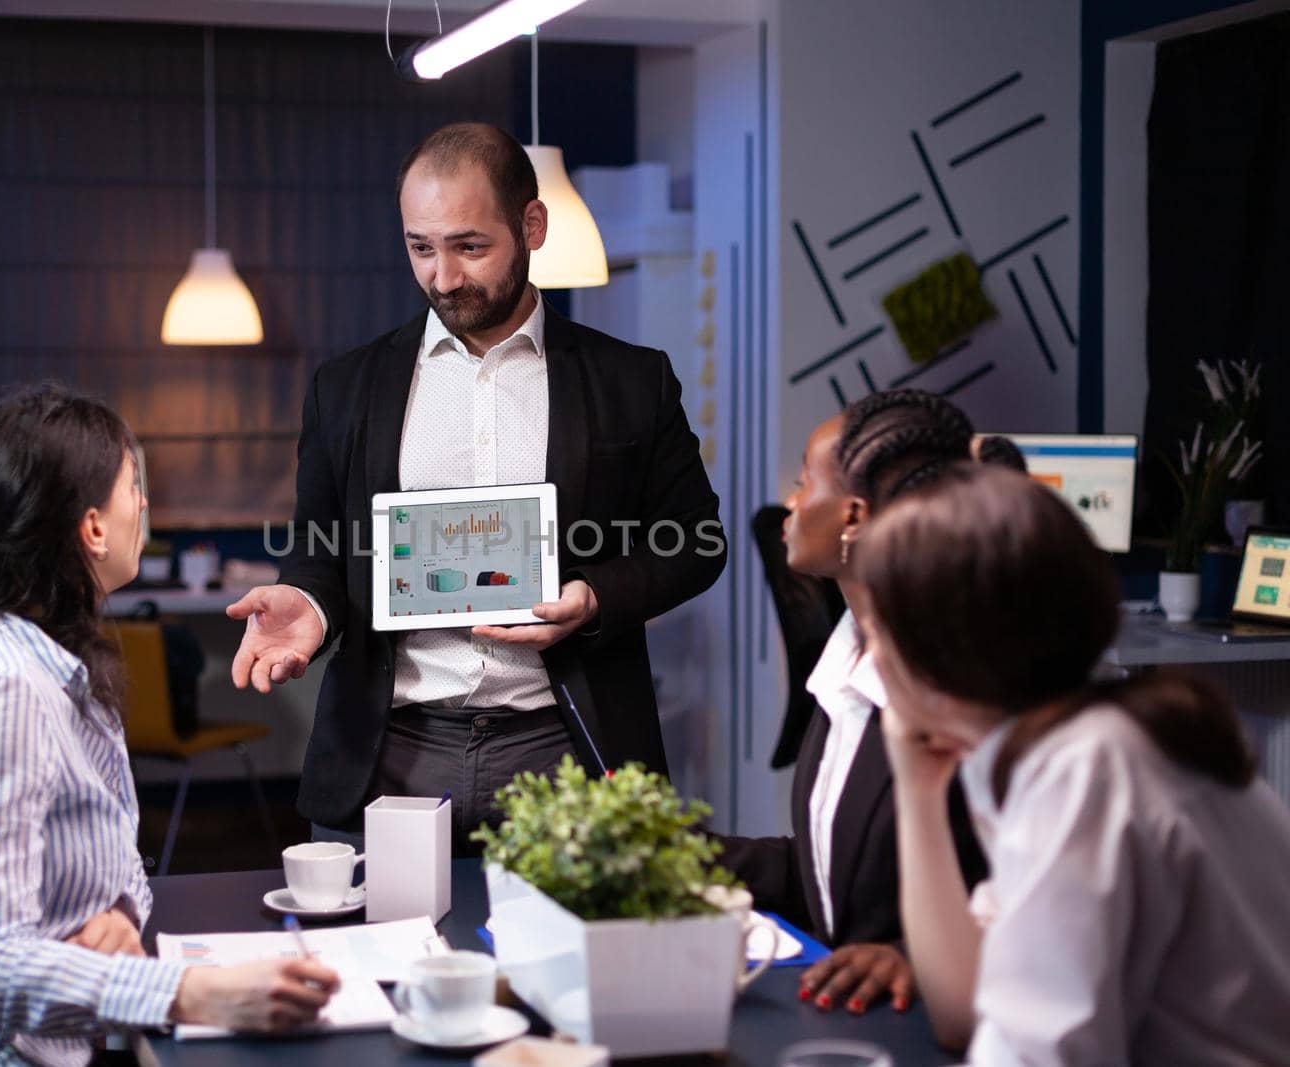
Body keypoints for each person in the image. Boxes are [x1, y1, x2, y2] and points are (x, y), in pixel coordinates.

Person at [225, 122, 726, 846]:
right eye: (420, 248)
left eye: (469, 246)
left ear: (532, 225)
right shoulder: (345, 387)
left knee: (566, 962)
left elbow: (698, 543)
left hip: (565, 751)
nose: (443, 278)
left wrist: (595, 597)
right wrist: (307, 601)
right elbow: (321, 551)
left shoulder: (631, 379)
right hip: (389, 750)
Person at [0, 386, 338, 1066]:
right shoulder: (3, 689)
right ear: (93, 528)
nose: (146, 505)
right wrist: (199, 992)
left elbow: (110, 861)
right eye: (135, 486)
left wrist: (116, 917)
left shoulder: (48, 661)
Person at [860, 464, 1290, 1063]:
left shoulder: (1088, 770)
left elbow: (1036, 1055)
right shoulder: (1099, 739)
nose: (871, 655)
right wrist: (918, 793)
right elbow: (964, 1010)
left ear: (941, 656)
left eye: (877, 631)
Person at [717, 389, 990, 1016]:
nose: (789, 503)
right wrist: (675, 848)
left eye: (803, 483)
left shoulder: (958, 694)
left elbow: (1026, 895)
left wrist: (910, 956)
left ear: (854, 516)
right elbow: (829, 879)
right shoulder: (845, 664)